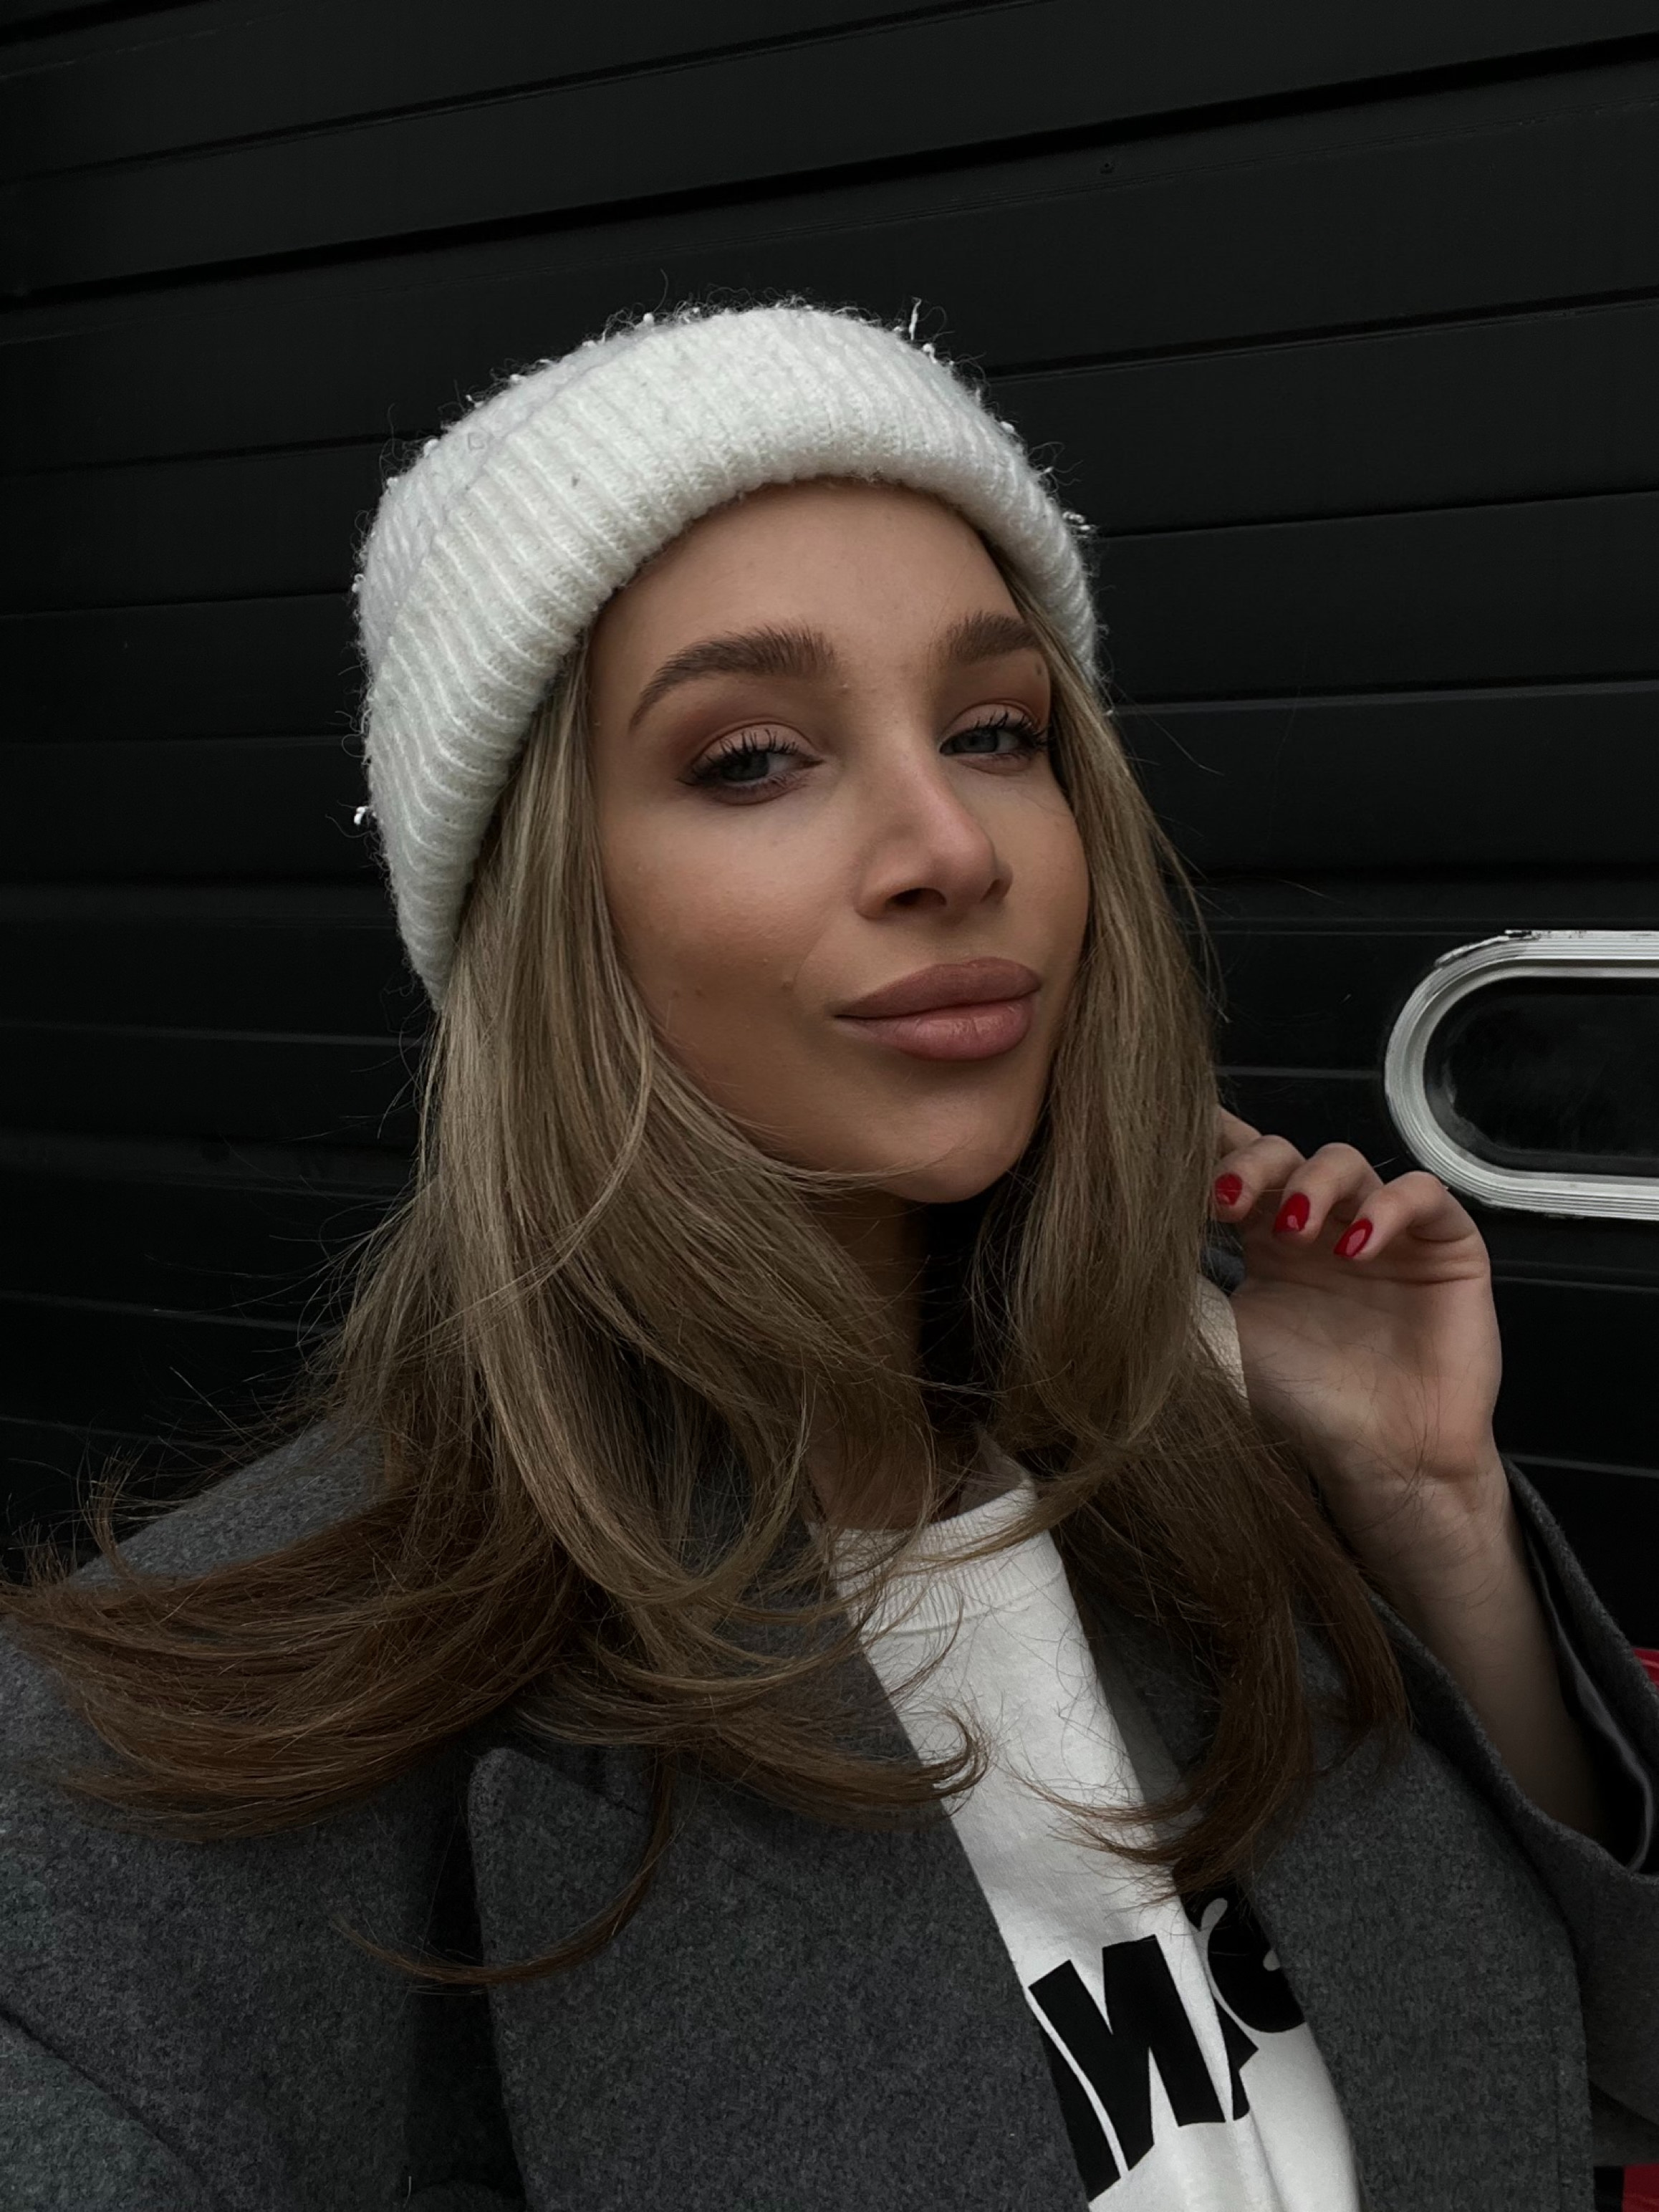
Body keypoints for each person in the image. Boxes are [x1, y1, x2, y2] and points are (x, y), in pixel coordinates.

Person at [2, 298, 1657, 2212]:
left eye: (996, 730)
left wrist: (1428, 1507)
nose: (951, 844)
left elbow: (1607, 2085)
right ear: (542, 909)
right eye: (751, 758)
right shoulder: (157, 1781)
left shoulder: (1226, 1451)